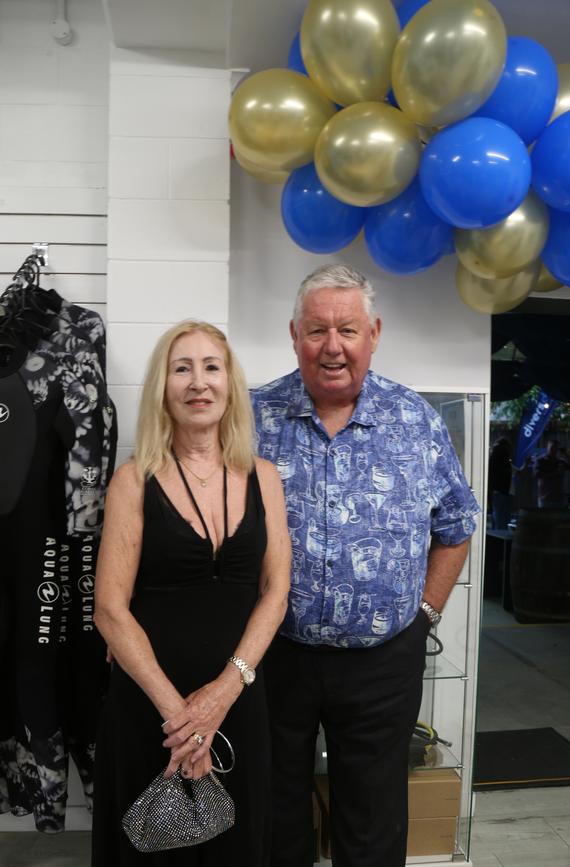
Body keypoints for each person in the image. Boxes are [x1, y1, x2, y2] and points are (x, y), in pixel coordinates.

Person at [251, 264, 480, 867]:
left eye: (347, 330)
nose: (333, 347)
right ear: (294, 334)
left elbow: (457, 527)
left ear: (373, 334)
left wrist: (425, 613)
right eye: (317, 330)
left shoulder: (415, 420)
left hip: (383, 662)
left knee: (374, 822)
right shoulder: (251, 418)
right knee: (272, 811)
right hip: (275, 656)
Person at [91, 321, 290, 866]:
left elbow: (276, 590)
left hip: (239, 701)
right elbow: (109, 609)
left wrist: (223, 695)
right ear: (164, 387)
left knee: (236, 847)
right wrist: (181, 720)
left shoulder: (264, 477)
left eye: (211, 367)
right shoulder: (134, 481)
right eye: (182, 368)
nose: (198, 382)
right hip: (150, 709)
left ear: (230, 383)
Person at [533, 439, 570, 508]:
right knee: (545, 518)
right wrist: (554, 473)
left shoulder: (560, 462)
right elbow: (537, 474)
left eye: (556, 448)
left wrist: (565, 455)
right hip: (545, 497)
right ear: (548, 448)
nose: (554, 450)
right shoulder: (541, 461)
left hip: (559, 498)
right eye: (552, 448)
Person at [488, 436, 512, 528]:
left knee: (496, 516)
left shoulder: (493, 455)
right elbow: (503, 474)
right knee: (501, 518)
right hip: (500, 490)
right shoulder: (502, 454)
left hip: (493, 490)